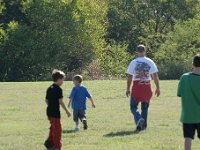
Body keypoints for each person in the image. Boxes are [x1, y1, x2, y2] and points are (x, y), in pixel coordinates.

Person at [126, 45, 160, 132]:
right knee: (145, 107)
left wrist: (128, 88)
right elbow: (155, 76)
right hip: (147, 86)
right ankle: (143, 126)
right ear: (145, 51)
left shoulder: (133, 62)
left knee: (133, 106)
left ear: (137, 52)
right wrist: (158, 87)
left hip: (137, 86)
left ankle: (138, 119)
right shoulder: (150, 61)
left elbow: (130, 76)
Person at [44, 69, 71, 150]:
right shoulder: (58, 89)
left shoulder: (50, 88)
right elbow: (60, 101)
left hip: (49, 112)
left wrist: (51, 106)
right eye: (63, 80)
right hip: (55, 113)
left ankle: (49, 142)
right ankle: (56, 147)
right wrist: (67, 111)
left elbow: (46, 100)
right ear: (59, 79)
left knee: (53, 127)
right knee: (57, 130)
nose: (63, 81)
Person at [177, 54, 200, 150]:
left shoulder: (184, 77)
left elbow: (179, 93)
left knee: (187, 137)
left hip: (187, 115)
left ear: (192, 64)